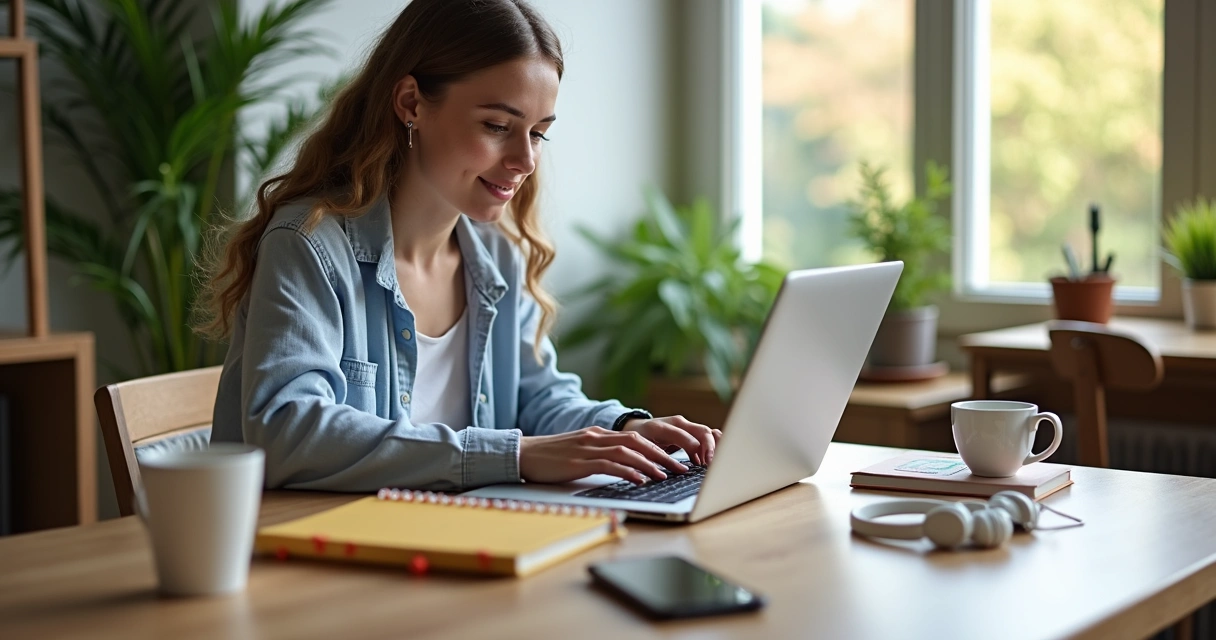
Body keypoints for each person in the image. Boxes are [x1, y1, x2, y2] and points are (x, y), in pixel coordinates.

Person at [200, 0, 720, 492]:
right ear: (411, 105)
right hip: (313, 563)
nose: (525, 160)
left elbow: (537, 396)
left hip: (451, 550)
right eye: (497, 126)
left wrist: (624, 428)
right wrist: (514, 456)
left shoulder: (495, 257)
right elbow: (287, 431)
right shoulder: (309, 247)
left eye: (538, 133)